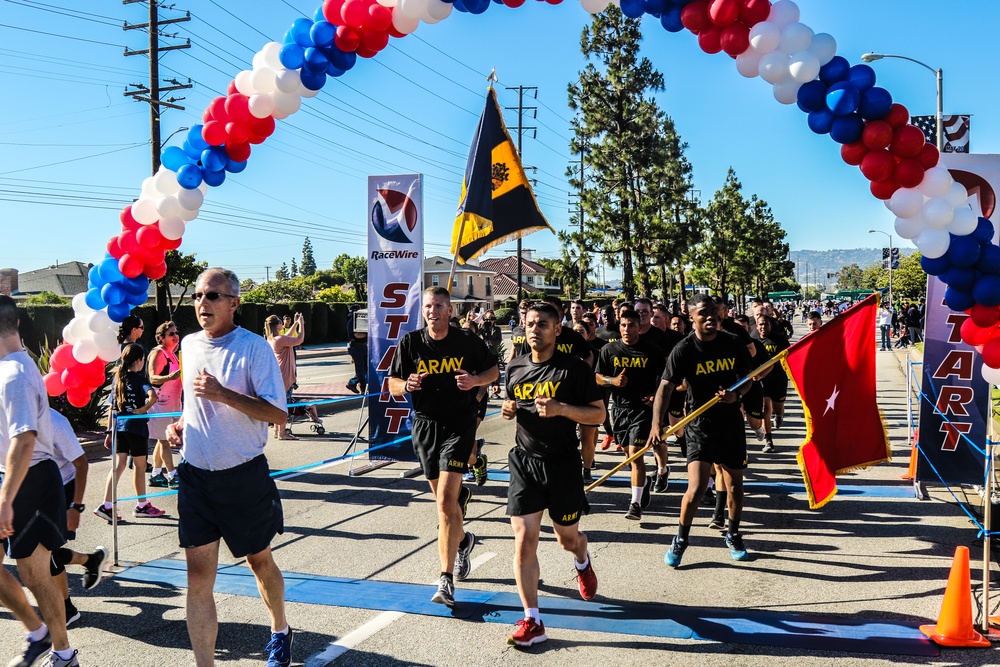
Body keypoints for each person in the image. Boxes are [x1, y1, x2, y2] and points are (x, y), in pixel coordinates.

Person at [165, 268, 293, 667]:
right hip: (196, 476)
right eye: (198, 296)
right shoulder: (188, 344)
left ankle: (280, 629)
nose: (203, 303)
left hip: (242, 475)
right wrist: (180, 425)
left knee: (260, 562)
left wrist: (224, 394)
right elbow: (192, 404)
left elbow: (278, 415)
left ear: (234, 303)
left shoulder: (254, 348)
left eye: (213, 296)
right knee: (198, 579)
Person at [501, 301, 604, 647]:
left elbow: (598, 416)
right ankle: (533, 620)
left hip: (562, 464)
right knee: (524, 538)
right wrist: (507, 407)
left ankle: (582, 558)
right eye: (530, 323)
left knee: (566, 539)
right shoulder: (514, 367)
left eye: (543, 324)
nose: (535, 329)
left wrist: (561, 408)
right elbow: (511, 404)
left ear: (557, 329)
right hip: (524, 462)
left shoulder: (574, 369)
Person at [388, 287, 498, 608]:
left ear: (449, 310)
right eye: (427, 306)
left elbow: (492, 371)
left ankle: (445, 580)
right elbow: (392, 384)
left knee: (446, 502)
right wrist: (405, 384)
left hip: (458, 423)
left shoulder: (467, 341)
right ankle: (464, 541)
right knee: (445, 505)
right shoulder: (410, 343)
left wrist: (475, 382)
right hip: (424, 425)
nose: (432, 311)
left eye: (438, 306)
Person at [0, 295, 79, 666]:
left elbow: (25, 438)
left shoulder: (14, 374)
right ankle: (40, 633)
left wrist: (6, 498)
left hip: (29, 479)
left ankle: (59, 650)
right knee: (34, 572)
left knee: (34, 573)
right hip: (15, 477)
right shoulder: (9, 367)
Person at [650, 295, 754, 566]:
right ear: (691, 318)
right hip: (700, 425)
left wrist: (736, 396)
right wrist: (655, 425)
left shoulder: (733, 343)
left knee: (735, 487)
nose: (710, 317)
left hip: (730, 423)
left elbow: (747, 379)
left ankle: (733, 534)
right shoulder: (684, 349)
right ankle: (681, 538)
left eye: (713, 313)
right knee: (695, 488)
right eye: (702, 313)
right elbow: (665, 387)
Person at [595, 309, 666, 519]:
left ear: (640, 327)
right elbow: (598, 377)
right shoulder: (609, 350)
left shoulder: (651, 351)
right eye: (624, 325)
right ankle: (644, 483)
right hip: (619, 409)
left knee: (636, 454)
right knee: (629, 456)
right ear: (620, 327)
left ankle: (635, 504)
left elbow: (666, 379)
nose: (627, 330)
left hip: (643, 409)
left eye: (632, 325)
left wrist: (655, 395)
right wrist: (612, 381)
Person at [47, 409, 109, 628]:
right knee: (35, 554)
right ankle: (90, 560)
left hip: (62, 487)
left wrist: (75, 507)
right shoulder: (10, 417)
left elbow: (81, 463)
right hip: (30, 490)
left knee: (47, 553)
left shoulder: (55, 422)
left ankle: (66, 610)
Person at [95, 343, 166, 523]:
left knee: (119, 465)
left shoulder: (117, 379)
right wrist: (143, 409)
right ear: (138, 361)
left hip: (119, 426)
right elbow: (153, 396)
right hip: (136, 427)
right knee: (140, 465)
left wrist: (109, 432)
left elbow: (112, 407)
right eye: (143, 359)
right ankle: (142, 504)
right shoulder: (140, 379)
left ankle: (107, 505)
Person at [264, 313, 321, 440]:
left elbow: (287, 336)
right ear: (276, 324)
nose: (281, 322)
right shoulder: (280, 340)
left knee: (279, 404)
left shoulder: (273, 338)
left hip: (279, 375)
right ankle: (282, 433)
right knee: (283, 405)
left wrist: (295, 323)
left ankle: (278, 431)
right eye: (279, 320)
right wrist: (301, 323)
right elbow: (299, 339)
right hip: (284, 376)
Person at [147, 321, 182, 489]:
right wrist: (169, 377)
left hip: (173, 402)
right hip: (162, 402)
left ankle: (155, 474)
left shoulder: (172, 353)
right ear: (161, 338)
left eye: (176, 333)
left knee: (162, 440)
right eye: (171, 334)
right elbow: (152, 378)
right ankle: (172, 475)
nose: (176, 336)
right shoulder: (158, 353)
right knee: (164, 440)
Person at [753, 314, 790, 452]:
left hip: (778, 379)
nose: (763, 327)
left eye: (766, 324)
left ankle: (779, 415)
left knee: (777, 407)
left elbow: (789, 357)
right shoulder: (754, 341)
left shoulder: (780, 340)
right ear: (756, 326)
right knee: (764, 409)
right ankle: (769, 441)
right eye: (760, 324)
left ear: (770, 326)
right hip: (762, 380)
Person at [346, 306, 368, 395]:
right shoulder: (352, 323)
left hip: (362, 346)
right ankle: (362, 388)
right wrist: (369, 333)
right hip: (356, 347)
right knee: (360, 370)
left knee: (365, 369)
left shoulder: (360, 322)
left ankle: (353, 382)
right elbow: (357, 335)